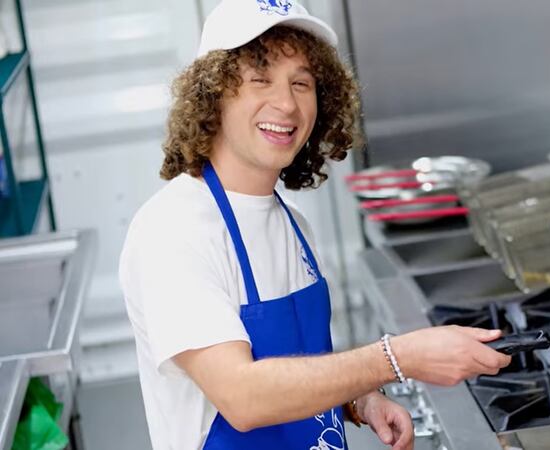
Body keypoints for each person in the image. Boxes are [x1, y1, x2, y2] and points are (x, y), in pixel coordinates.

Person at [118, 1, 512, 449]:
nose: (286, 103)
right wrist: (397, 358)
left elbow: (297, 360)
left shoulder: (291, 224)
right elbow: (243, 397)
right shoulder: (173, 231)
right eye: (260, 79)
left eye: (301, 83)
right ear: (212, 96)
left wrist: (358, 398)